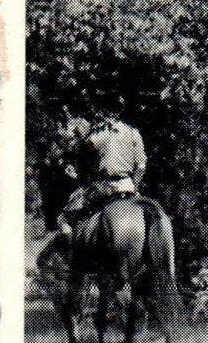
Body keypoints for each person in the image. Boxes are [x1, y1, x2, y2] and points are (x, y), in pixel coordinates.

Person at [39, 105, 147, 269]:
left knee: (64, 218)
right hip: (128, 186)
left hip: (103, 187)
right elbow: (141, 167)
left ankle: (77, 263)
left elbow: (85, 164)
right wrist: (134, 186)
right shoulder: (134, 132)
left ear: (104, 113)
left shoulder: (97, 135)